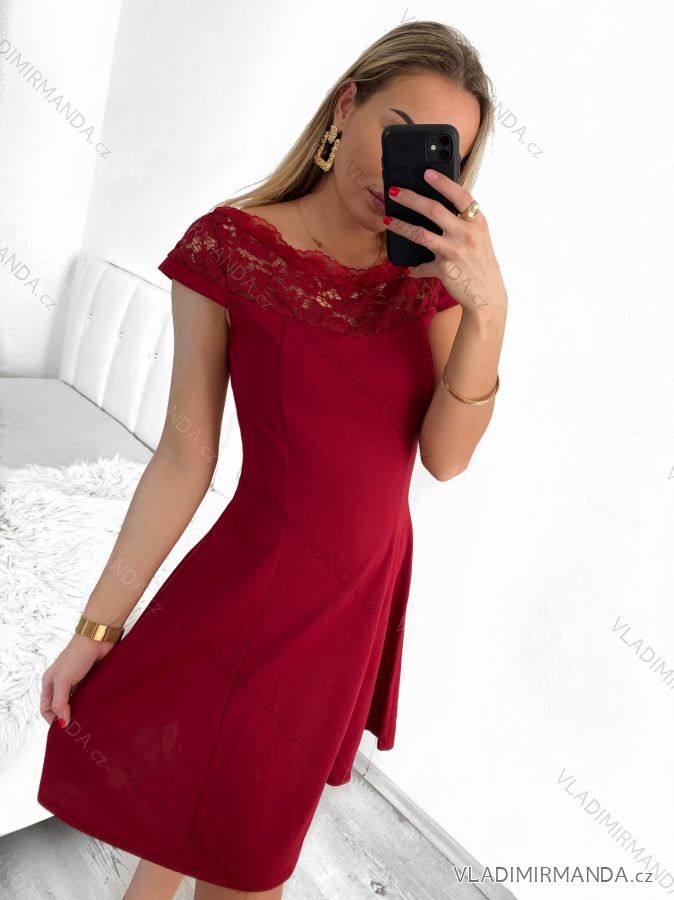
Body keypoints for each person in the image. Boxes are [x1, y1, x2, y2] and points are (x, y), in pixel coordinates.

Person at [36, 19, 507, 900]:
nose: (406, 166)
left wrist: (490, 313)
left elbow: (445, 460)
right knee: (236, 852)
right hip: (257, 591)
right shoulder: (230, 247)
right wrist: (96, 630)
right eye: (398, 129)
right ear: (347, 105)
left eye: (440, 152)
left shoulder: (434, 278)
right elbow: (185, 456)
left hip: (359, 597)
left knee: (216, 820)